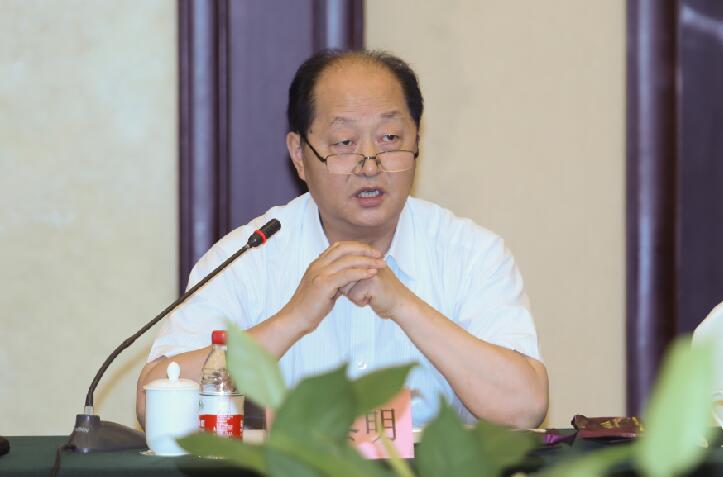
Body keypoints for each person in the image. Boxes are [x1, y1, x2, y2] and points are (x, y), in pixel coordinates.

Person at [137, 50, 548, 429]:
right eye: (345, 144)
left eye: (390, 139)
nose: (370, 166)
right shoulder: (249, 256)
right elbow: (153, 402)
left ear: (417, 141)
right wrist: (295, 318)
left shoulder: (471, 254)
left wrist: (403, 305)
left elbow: (525, 406)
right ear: (299, 155)